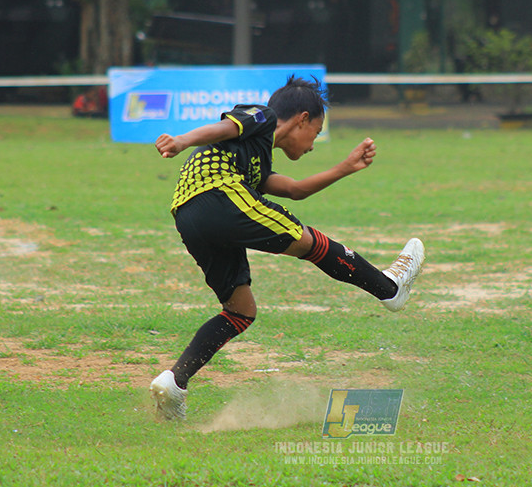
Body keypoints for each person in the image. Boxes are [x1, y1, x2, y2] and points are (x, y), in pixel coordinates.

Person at [149, 76, 425, 421]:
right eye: (317, 130)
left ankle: (175, 382)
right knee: (308, 241)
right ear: (302, 118)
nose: (312, 144)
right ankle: (389, 288)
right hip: (217, 193)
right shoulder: (262, 116)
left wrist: (346, 167)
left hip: (188, 215)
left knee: (240, 310)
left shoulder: (255, 157)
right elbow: (223, 127)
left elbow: (294, 189)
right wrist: (181, 140)